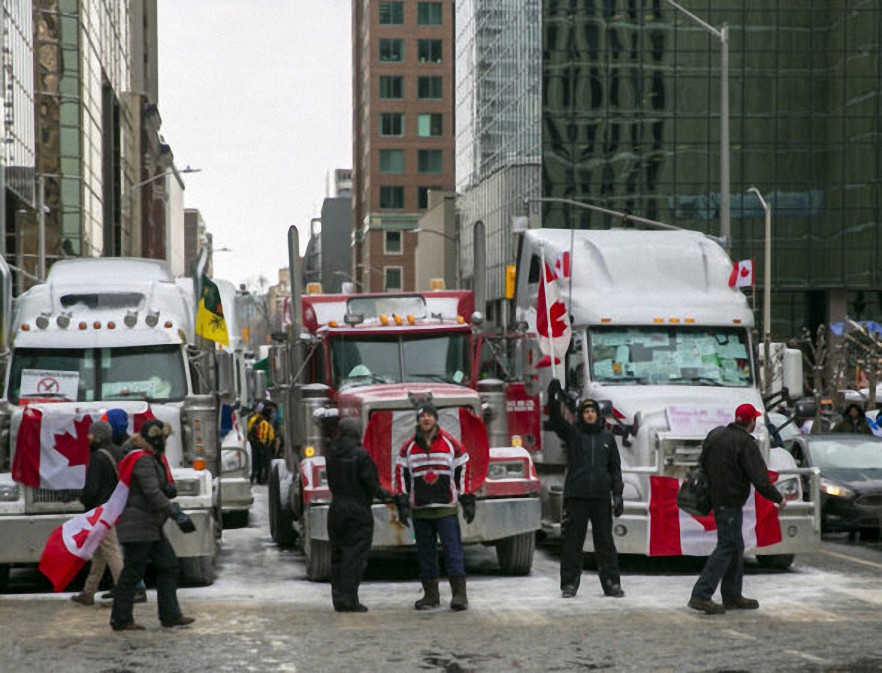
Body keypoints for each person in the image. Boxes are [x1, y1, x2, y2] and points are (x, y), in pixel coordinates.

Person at [688, 403, 795, 615]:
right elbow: (760, 479)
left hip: (716, 499)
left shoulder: (717, 436)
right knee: (727, 546)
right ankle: (701, 594)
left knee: (736, 546)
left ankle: (732, 595)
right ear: (752, 422)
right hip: (730, 501)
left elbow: (702, 463)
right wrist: (778, 498)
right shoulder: (744, 443)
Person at [110, 420, 196, 631]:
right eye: (164, 438)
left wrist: (167, 488)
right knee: (133, 572)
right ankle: (122, 619)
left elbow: (153, 488)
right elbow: (151, 493)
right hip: (138, 526)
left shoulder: (148, 458)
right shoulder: (143, 460)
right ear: (156, 438)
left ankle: (170, 615)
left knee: (168, 566)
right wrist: (173, 511)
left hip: (149, 525)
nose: (166, 442)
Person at [547, 379, 625, 599]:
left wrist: (617, 494)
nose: (590, 414)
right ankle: (569, 584)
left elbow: (615, 469)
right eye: (586, 411)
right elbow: (556, 420)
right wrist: (552, 398)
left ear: (598, 415)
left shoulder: (607, 439)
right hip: (577, 497)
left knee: (605, 543)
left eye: (593, 411)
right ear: (580, 415)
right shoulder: (573, 435)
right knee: (572, 543)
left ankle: (612, 583)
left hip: (601, 498)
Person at [394, 403, 476, 611]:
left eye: (430, 415)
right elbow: (400, 474)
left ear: (436, 418)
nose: (427, 419)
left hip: (446, 509)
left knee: (453, 551)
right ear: (418, 420)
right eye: (423, 416)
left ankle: (459, 594)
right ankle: (431, 595)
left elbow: (463, 469)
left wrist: (466, 499)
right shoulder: (408, 447)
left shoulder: (451, 444)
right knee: (425, 554)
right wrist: (402, 503)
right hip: (420, 510)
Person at [325, 418, 389, 612]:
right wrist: (388, 495)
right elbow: (371, 484)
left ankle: (338, 598)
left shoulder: (331, 453)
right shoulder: (361, 455)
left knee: (338, 554)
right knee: (354, 556)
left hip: (336, 508)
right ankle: (350, 599)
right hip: (358, 509)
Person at [70, 421, 126, 606]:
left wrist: (83, 499)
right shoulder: (118, 453)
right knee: (99, 553)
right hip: (115, 507)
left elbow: (91, 489)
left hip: (100, 511)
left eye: (91, 434)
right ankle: (89, 591)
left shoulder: (97, 457)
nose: (88, 437)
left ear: (99, 436)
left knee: (110, 550)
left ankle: (124, 591)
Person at [248, 402, 276, 485]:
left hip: (255, 444)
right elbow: (270, 436)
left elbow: (250, 430)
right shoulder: (264, 423)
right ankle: (263, 479)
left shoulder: (254, 419)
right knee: (264, 463)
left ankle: (256, 478)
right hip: (263, 445)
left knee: (256, 463)